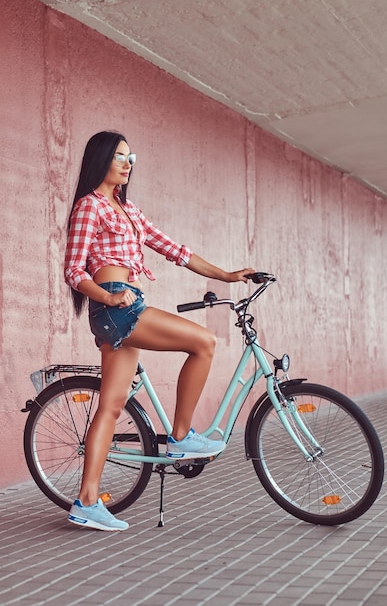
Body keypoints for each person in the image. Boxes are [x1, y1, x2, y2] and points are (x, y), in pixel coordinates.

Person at [64, 131, 254, 531]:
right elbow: (73, 270)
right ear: (101, 160)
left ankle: (85, 502)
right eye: (119, 156)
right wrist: (105, 295)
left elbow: (176, 250)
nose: (128, 163)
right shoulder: (90, 207)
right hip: (115, 303)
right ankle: (182, 435)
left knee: (112, 405)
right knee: (204, 341)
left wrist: (227, 275)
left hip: (124, 302)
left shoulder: (129, 211)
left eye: (131, 157)